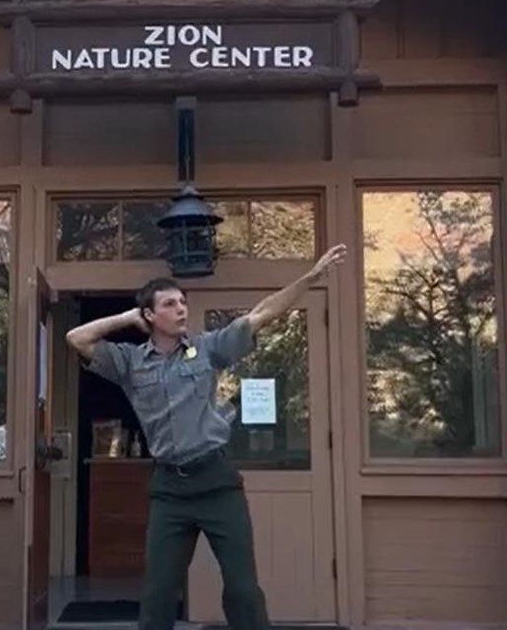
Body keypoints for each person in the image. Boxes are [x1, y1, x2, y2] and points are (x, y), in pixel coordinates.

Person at [66, 243, 347, 630]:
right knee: (158, 595)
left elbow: (262, 314)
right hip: (169, 490)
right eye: (169, 304)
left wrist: (310, 278)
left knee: (243, 590)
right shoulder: (129, 363)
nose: (181, 308)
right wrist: (128, 316)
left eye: (182, 301)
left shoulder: (207, 348)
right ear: (149, 314)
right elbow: (76, 338)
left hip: (217, 484)